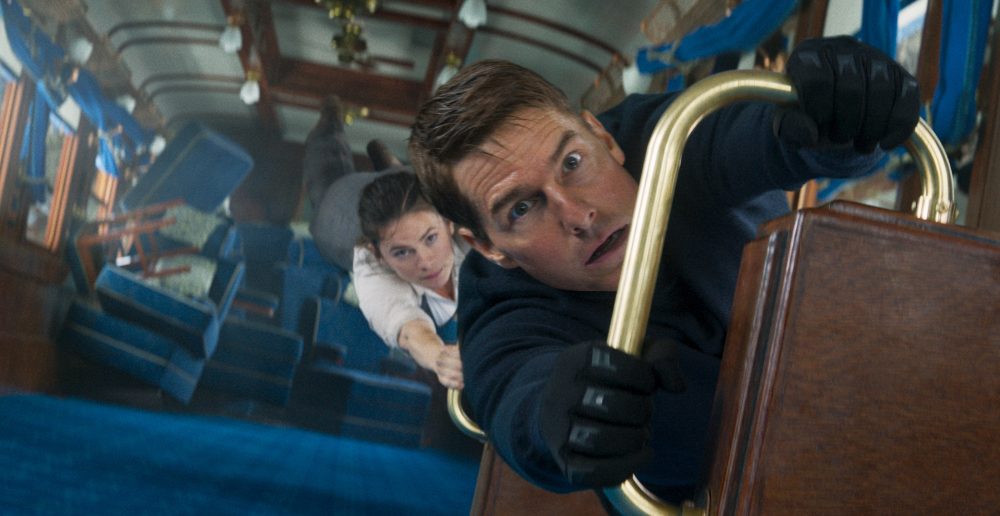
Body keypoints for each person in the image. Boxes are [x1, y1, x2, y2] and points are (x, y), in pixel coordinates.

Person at [407, 36, 919, 502]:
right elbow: (516, 398)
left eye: (572, 163)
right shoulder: (499, 309)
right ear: (486, 245)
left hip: (885, 396)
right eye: (521, 209)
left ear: (602, 137)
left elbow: (753, 138)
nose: (578, 216)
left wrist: (839, 114)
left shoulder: (666, 134)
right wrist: (560, 415)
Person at [353, 170, 467, 389]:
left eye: (431, 238)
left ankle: (390, 164)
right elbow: (409, 330)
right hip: (336, 216)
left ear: (448, 222)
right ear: (378, 254)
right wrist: (441, 359)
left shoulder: (472, 221)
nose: (425, 262)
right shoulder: (371, 264)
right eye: (402, 252)